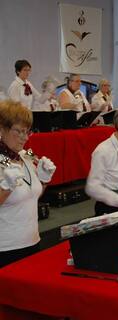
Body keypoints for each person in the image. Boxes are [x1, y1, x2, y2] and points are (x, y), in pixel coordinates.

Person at [0, 100, 56, 268]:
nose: (25, 137)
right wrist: (6, 188)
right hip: (6, 248)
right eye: (19, 131)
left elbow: (32, 194)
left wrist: (44, 180)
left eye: (28, 131)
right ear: (2, 129)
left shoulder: (28, 155)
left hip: (32, 240)